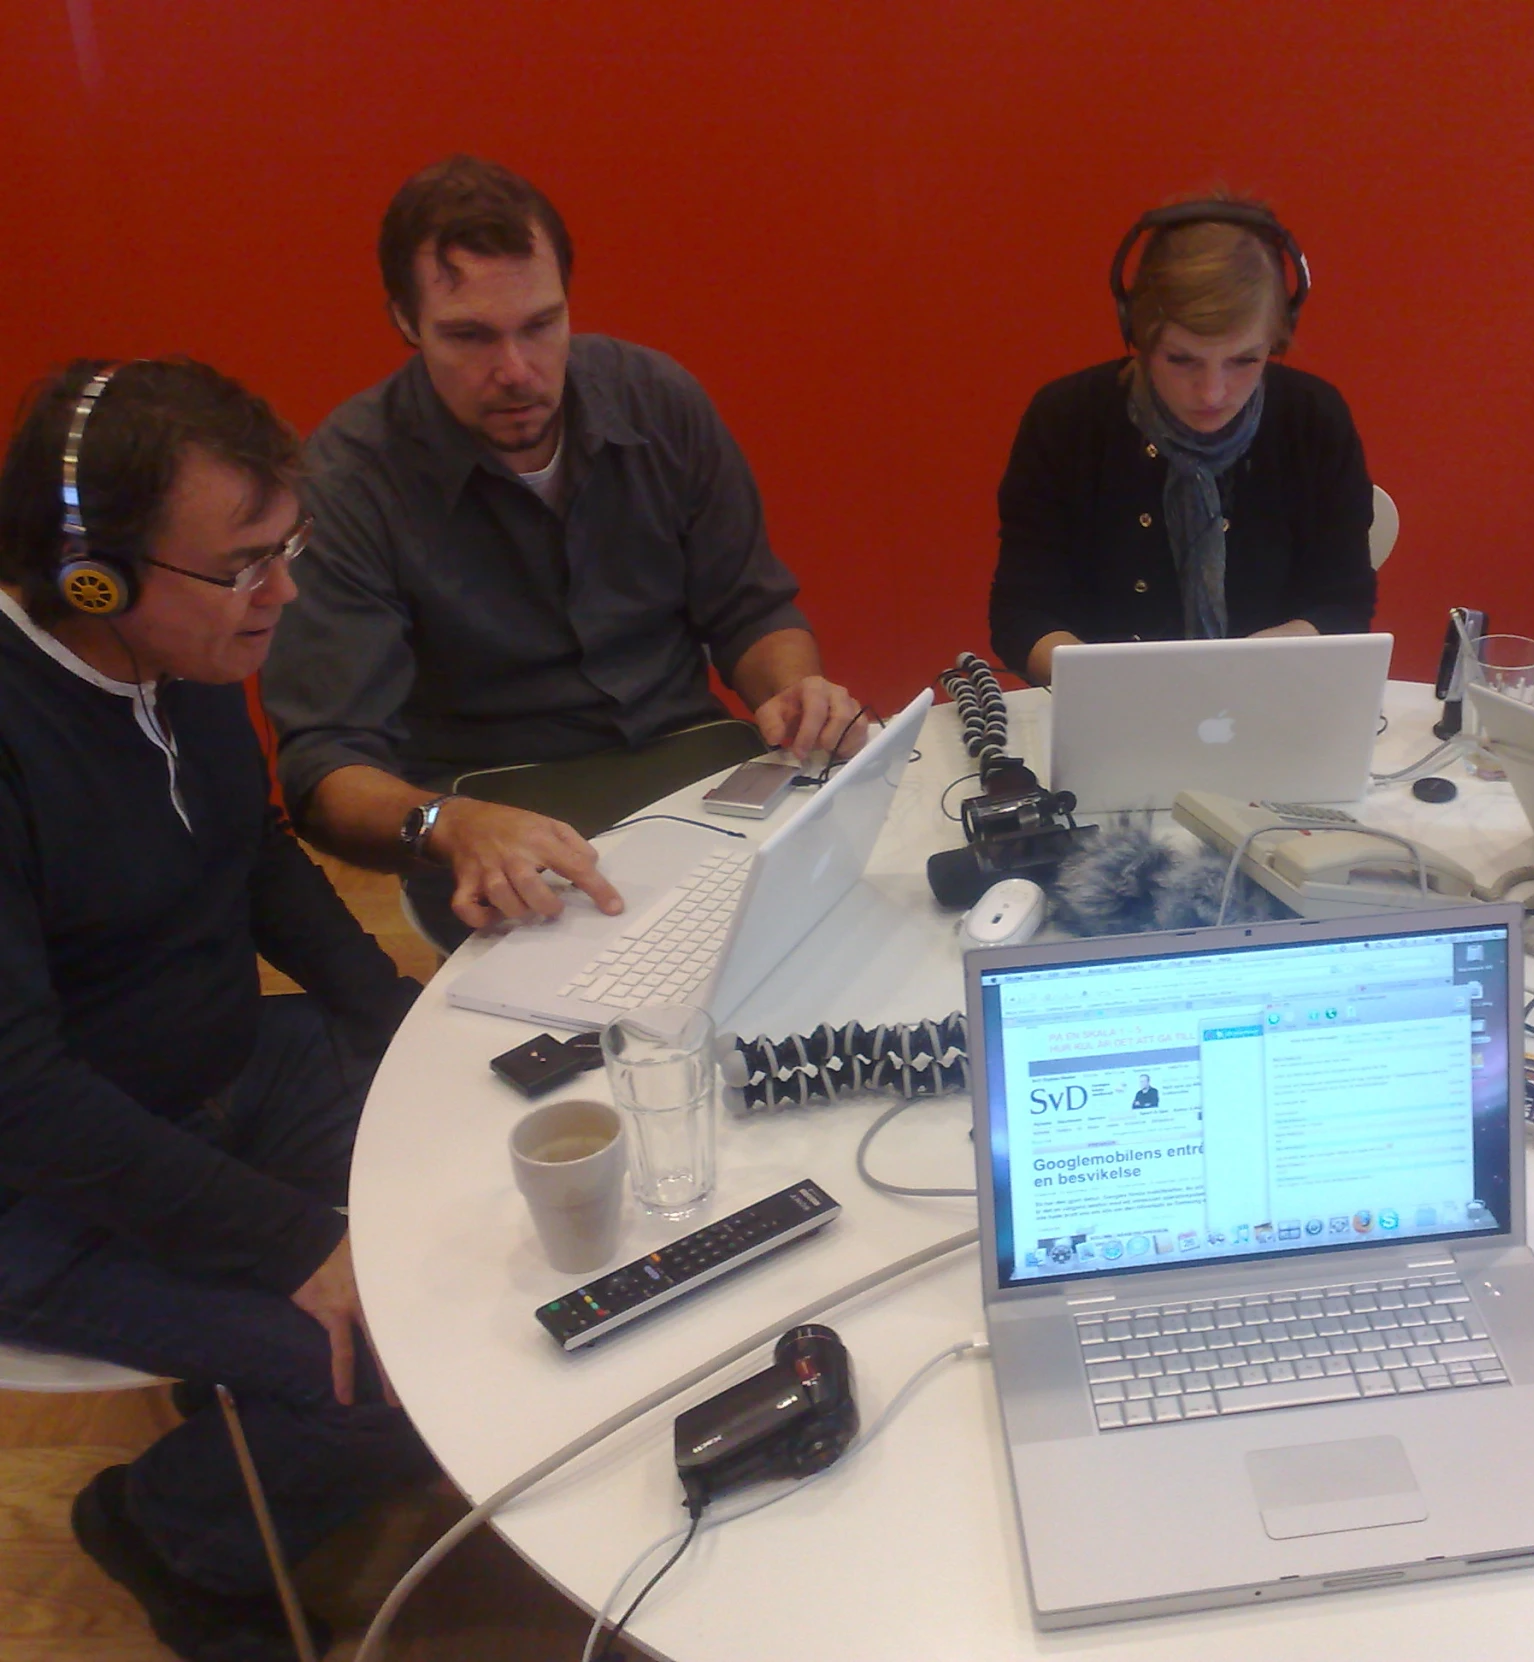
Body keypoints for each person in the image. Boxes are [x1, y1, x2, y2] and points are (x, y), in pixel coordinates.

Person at [0, 358, 431, 1661]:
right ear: (95, 580)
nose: (282, 594)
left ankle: (244, 1391)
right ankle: (165, 1522)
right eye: (246, 563)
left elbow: (253, 854)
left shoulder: (182, 646)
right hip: (51, 1188)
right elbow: (24, 1098)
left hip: (229, 1073)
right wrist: (295, 1241)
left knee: (493, 1177)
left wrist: (403, 1018)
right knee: (397, 1361)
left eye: (284, 548)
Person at [261, 155, 865, 949]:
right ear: (405, 323)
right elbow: (326, 765)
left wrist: (795, 692)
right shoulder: (347, 478)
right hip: (496, 810)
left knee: (836, 938)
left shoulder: (657, 401)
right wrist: (447, 823)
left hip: (691, 770)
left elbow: (750, 609)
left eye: (541, 325)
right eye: (470, 336)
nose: (515, 371)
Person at [990, 197, 1377, 686]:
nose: (1213, 393)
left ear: (1276, 342)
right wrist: (1118, 683)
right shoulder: (1066, 420)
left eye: (1244, 361)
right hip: (1112, 709)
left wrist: (1245, 665)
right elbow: (1022, 615)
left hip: (1268, 698)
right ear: (1140, 333)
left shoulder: (1313, 419)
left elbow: (1343, 603)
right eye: (1181, 359)